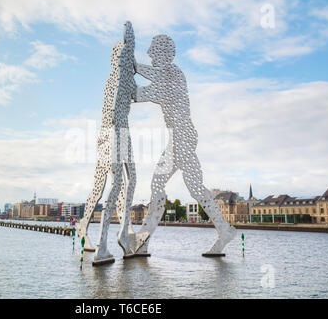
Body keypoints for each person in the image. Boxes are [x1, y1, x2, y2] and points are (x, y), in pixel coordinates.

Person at [131, 34, 236, 256]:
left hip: (183, 137)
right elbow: (144, 91)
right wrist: (132, 73)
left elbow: (145, 92)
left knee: (165, 184)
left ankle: (142, 240)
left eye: (153, 51)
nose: (149, 54)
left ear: (164, 54)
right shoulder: (165, 76)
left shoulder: (173, 75)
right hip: (181, 137)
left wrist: (130, 66)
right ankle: (224, 230)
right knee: (190, 187)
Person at [76, 22, 137, 264]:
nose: (123, 60)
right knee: (116, 183)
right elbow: (113, 109)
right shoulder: (118, 76)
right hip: (115, 133)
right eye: (120, 56)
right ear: (116, 59)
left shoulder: (120, 78)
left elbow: (136, 94)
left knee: (116, 182)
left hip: (115, 133)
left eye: (125, 56)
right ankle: (104, 244)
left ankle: (95, 230)